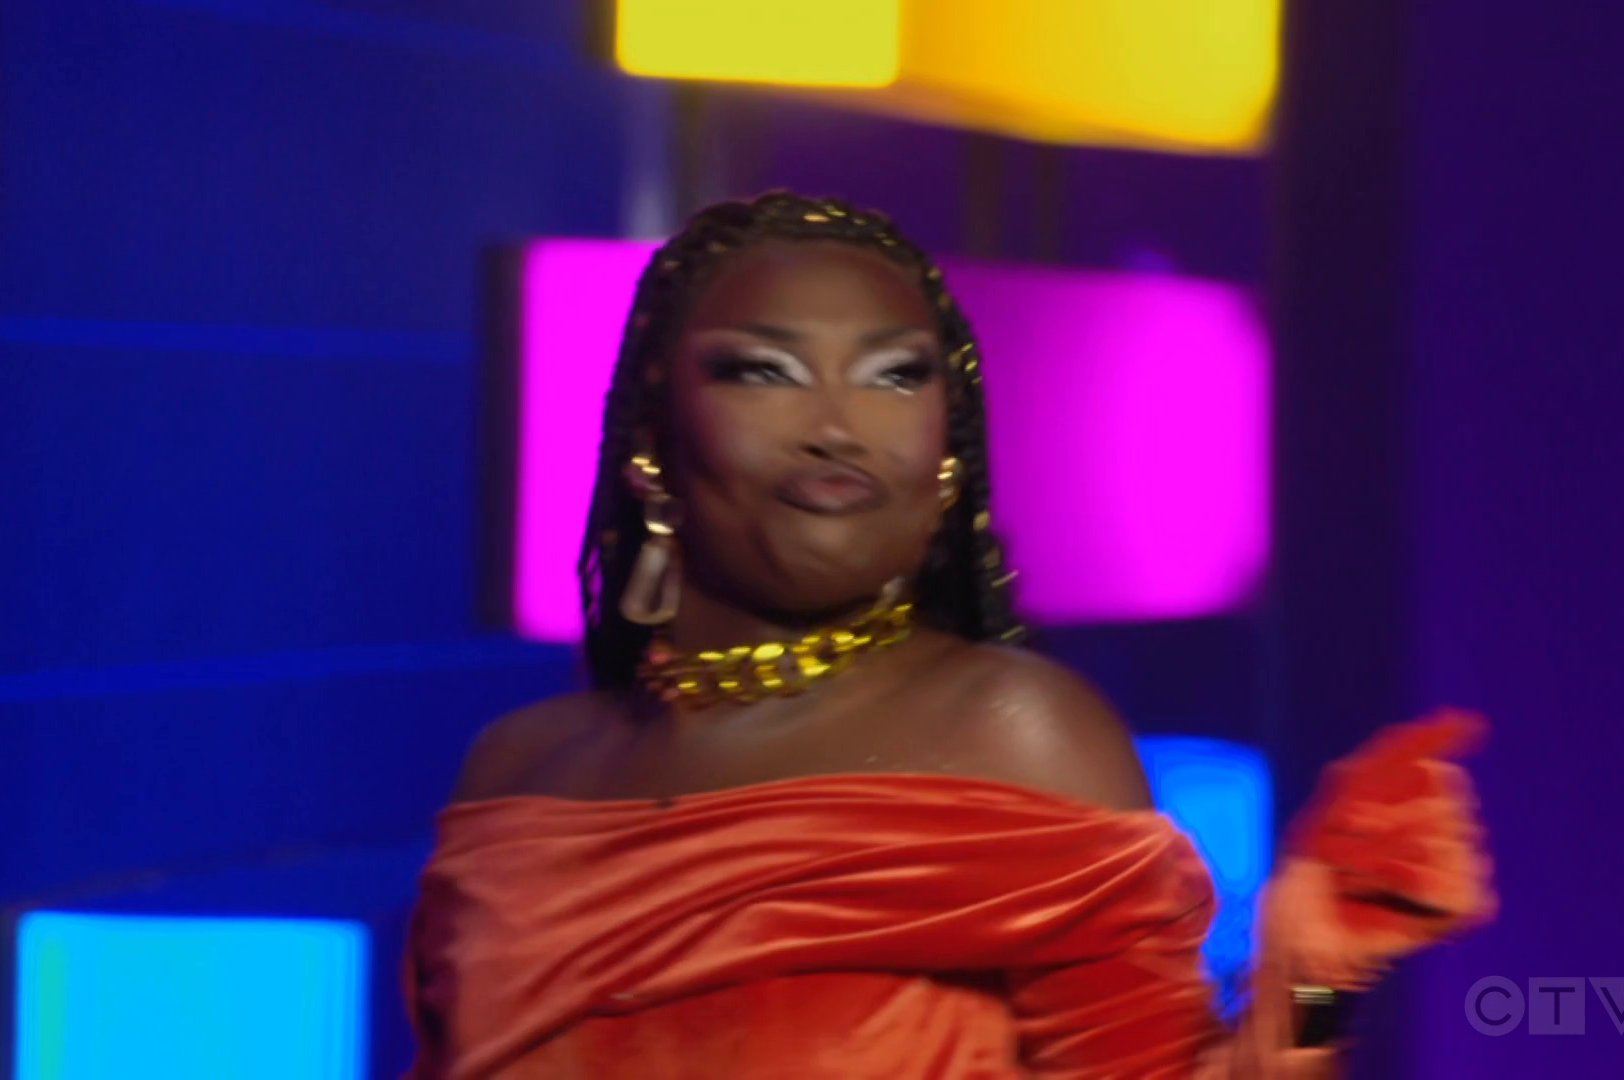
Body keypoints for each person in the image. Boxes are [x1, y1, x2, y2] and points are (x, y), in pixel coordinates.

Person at [403, 193, 1495, 1078]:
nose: (838, 425)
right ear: (651, 440)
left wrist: (1317, 971)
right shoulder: (515, 774)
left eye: (895, 375)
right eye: (764, 370)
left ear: (944, 458)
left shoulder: (1014, 733)